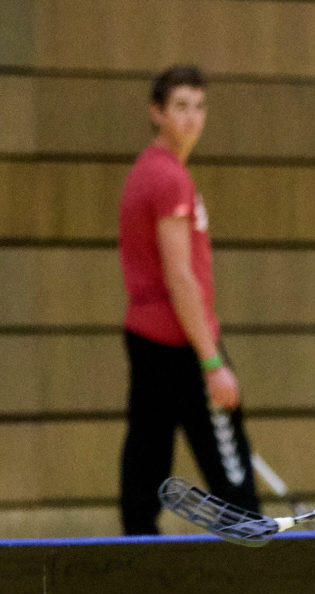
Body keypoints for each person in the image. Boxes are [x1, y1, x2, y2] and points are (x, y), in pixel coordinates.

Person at [118, 65, 259, 535]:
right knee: (233, 481)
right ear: (156, 113)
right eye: (181, 107)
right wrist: (212, 361)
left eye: (199, 107)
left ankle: (134, 565)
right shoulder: (168, 179)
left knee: (146, 461)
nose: (192, 118)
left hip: (146, 339)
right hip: (183, 345)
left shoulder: (146, 172)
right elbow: (180, 275)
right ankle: (253, 570)